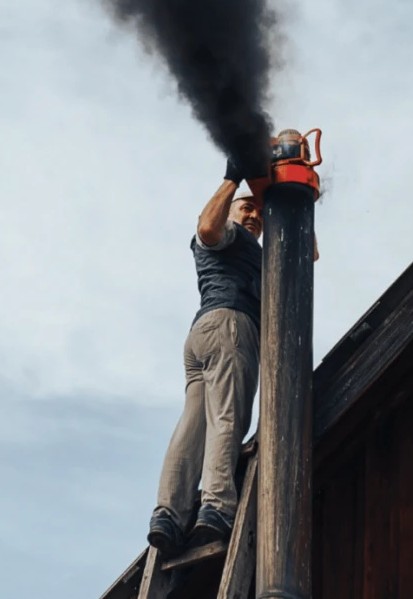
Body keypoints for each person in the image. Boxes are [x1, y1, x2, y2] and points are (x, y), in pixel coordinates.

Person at [147, 159, 266, 555]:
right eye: (246, 207)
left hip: (202, 334)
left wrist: (299, 203)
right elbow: (207, 228)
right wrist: (234, 178)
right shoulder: (228, 233)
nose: (254, 216)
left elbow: (308, 255)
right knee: (227, 417)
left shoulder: (255, 250)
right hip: (230, 327)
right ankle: (215, 507)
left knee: (193, 424)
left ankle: (169, 514)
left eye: (260, 212)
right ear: (231, 208)